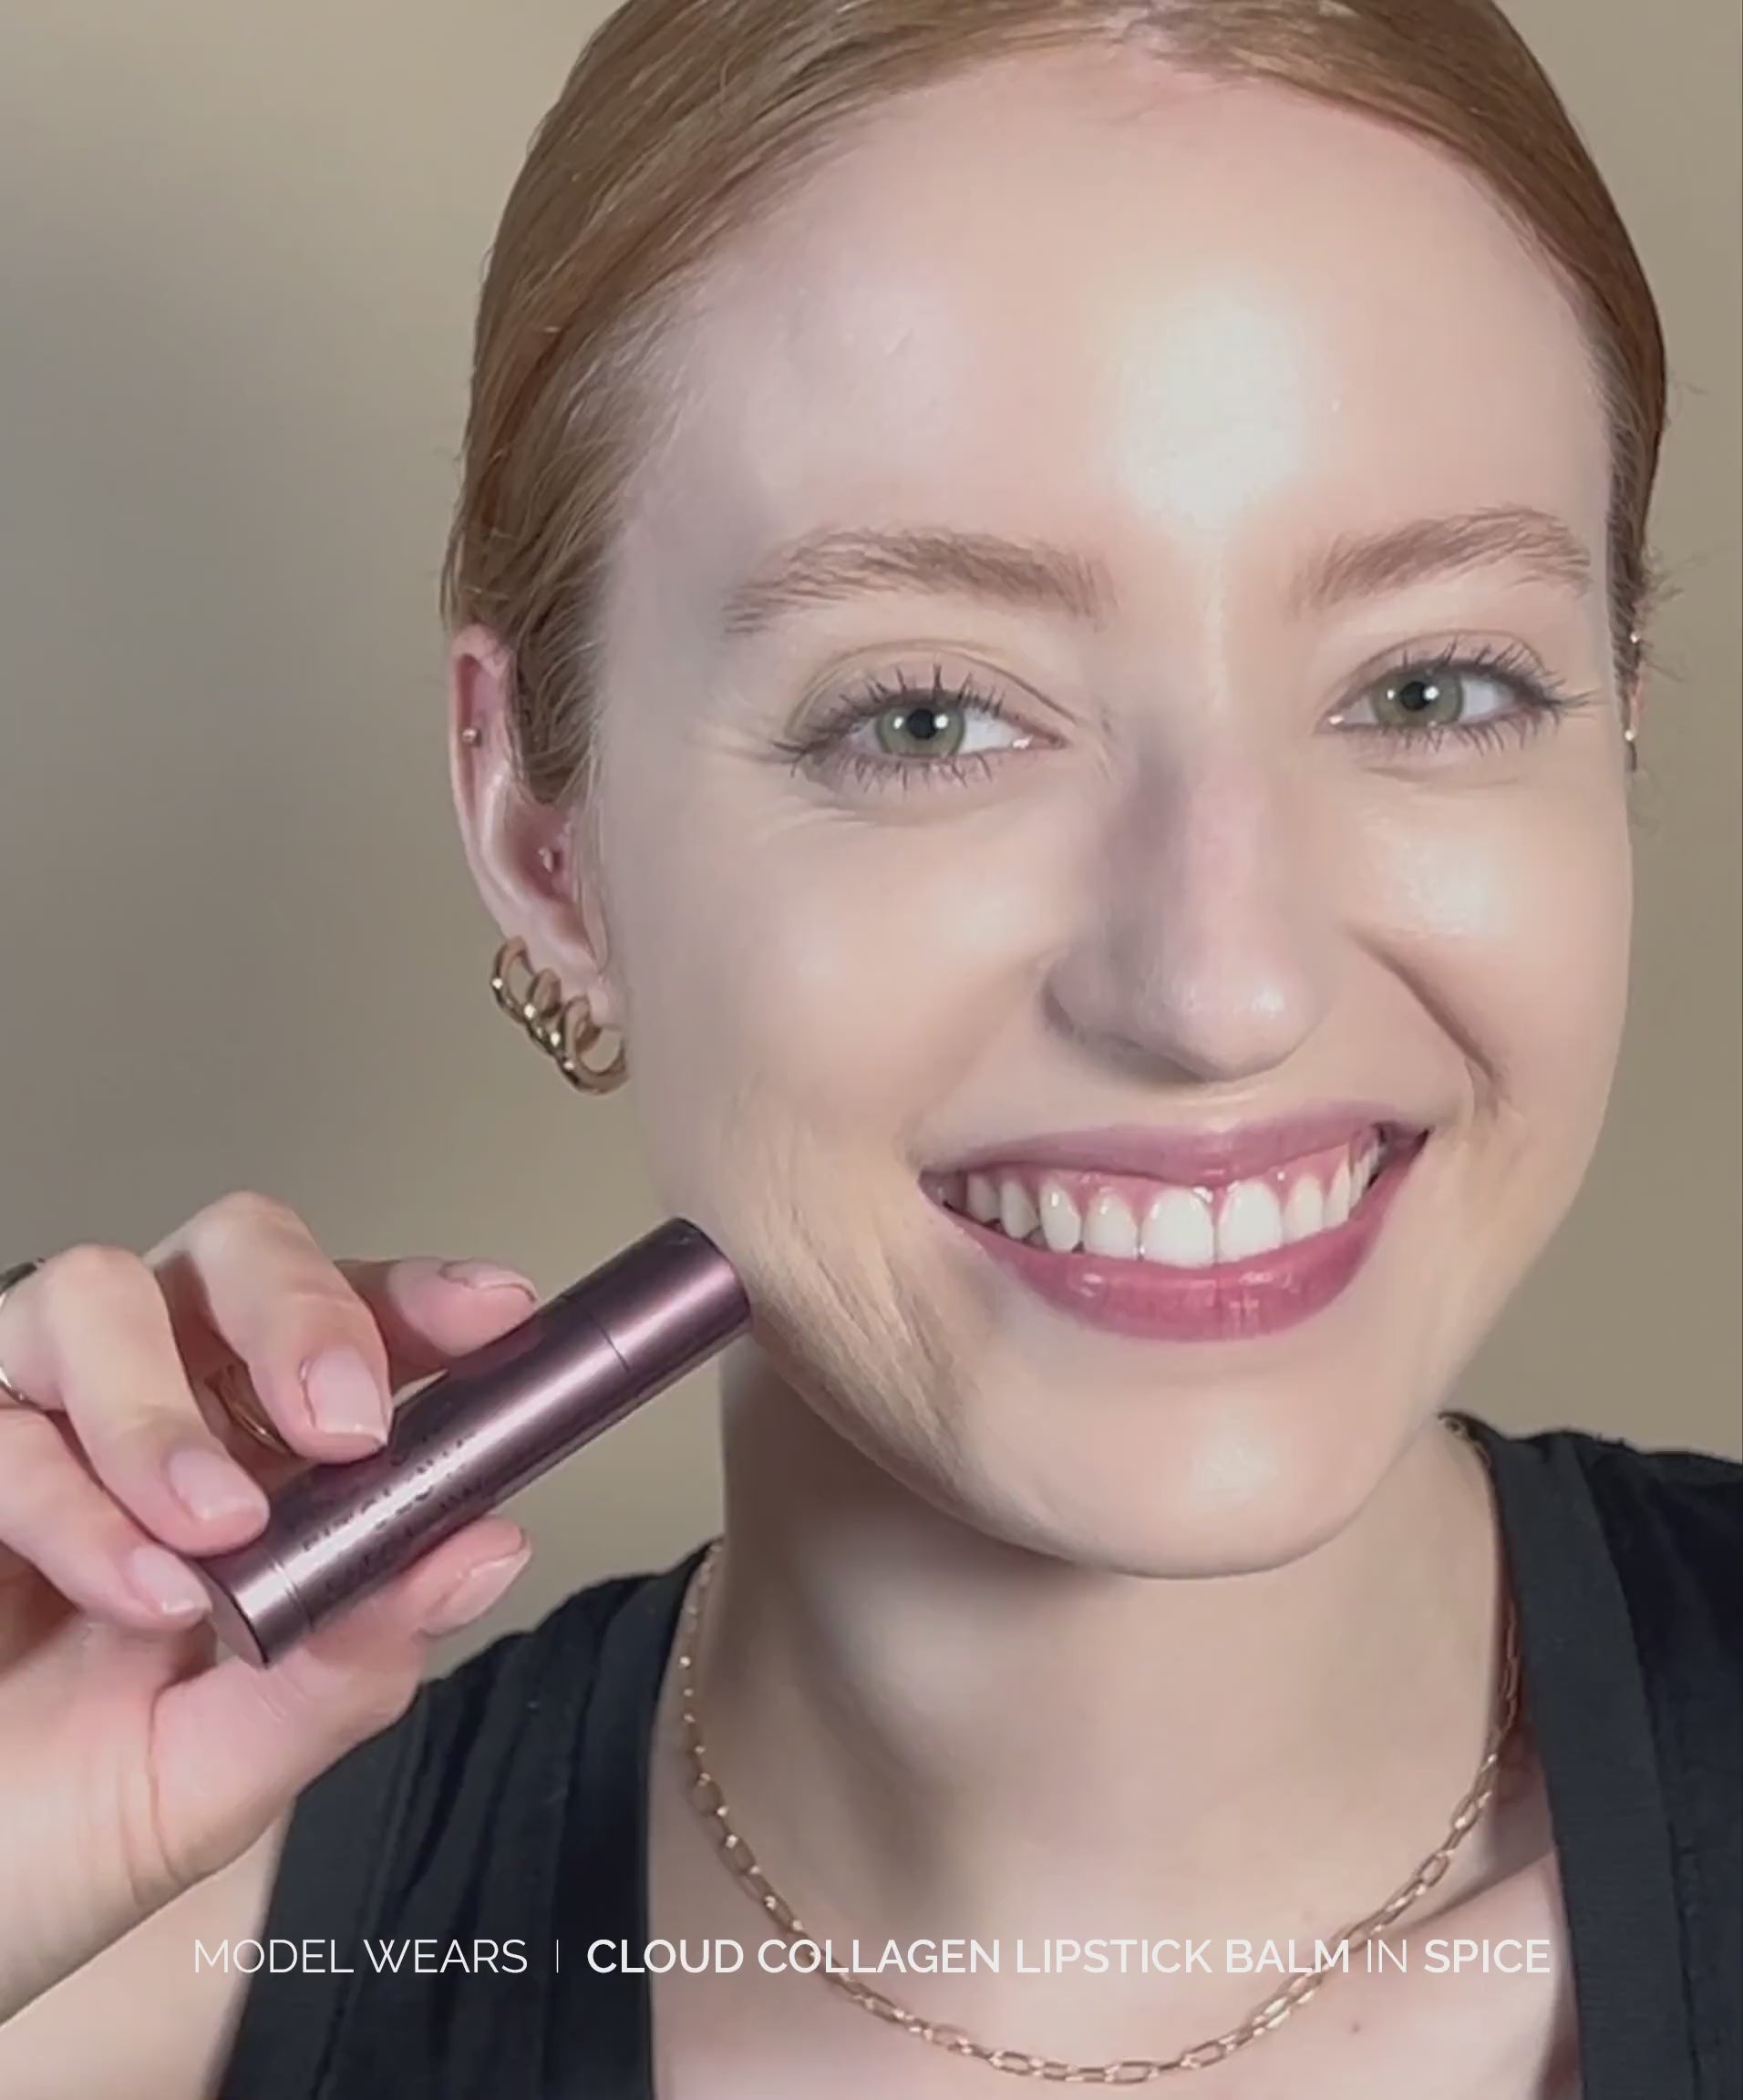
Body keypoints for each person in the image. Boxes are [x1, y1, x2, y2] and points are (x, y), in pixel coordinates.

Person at [0, 1, 1736, 2095]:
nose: (1219, 988)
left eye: (1431, 687)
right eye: (927, 717)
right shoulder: (126, 2003)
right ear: (540, 832)